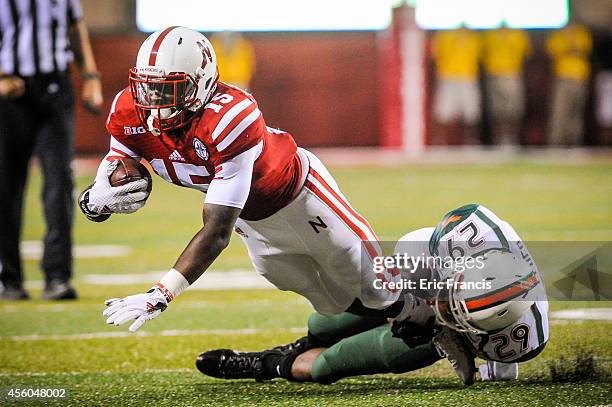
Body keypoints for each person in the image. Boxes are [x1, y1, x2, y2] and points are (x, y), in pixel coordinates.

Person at [80, 27, 469, 360]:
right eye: (146, 88)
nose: (152, 102)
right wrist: (96, 201)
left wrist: (162, 293)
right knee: (329, 303)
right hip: (254, 220)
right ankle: (407, 323)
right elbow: (118, 166)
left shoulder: (229, 117)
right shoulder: (129, 111)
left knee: (373, 283)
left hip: (301, 195)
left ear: (199, 85)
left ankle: (453, 310)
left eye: (166, 90)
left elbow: (216, 232)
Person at [196, 204, 549, 386]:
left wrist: (446, 333)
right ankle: (301, 343)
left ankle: (266, 364)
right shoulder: (466, 234)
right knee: (326, 320)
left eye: (458, 315)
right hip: (420, 279)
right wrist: (410, 305)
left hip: (451, 333)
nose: (446, 310)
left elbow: (504, 370)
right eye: (452, 304)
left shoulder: (520, 337)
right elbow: (405, 258)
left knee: (331, 364)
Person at [0, 0, 103, 300]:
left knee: (59, 183)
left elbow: (75, 26)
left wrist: (90, 77)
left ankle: (57, 277)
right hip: (10, 90)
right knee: (6, 187)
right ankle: (9, 279)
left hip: (55, 88)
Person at [431, 27, 482, 144]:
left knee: (471, 111)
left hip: (467, 75)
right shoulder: (443, 35)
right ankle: (440, 142)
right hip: (448, 75)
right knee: (443, 110)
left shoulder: (473, 37)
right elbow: (434, 55)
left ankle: (471, 141)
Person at [546, 20, 593, 146]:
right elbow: (554, 51)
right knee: (559, 112)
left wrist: (572, 47)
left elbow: (584, 50)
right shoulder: (558, 35)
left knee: (576, 113)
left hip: (579, 78)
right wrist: (570, 47)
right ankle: (556, 143)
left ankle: (574, 142)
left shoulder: (582, 33)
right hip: (563, 78)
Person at [482, 26, 531, 145]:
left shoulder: (518, 34)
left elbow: (526, 54)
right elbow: (483, 54)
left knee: (513, 109)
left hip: (512, 73)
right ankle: (498, 140)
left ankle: (512, 138)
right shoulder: (490, 34)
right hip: (494, 73)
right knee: (497, 110)